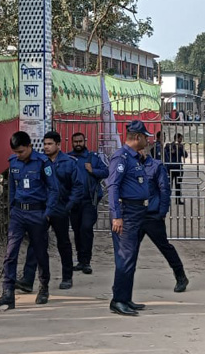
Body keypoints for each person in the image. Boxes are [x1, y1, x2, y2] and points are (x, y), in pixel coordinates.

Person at [0, 132, 59, 310]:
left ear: (29, 146)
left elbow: (53, 189)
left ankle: (43, 287)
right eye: (16, 152)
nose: (19, 155)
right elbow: (12, 188)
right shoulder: (13, 163)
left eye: (21, 151)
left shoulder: (43, 163)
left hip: (38, 213)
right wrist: (12, 208)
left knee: (40, 253)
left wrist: (48, 213)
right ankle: (7, 293)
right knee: (10, 253)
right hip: (18, 214)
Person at [18, 131, 87, 291]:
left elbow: (78, 186)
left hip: (60, 209)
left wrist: (68, 206)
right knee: (36, 243)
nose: (46, 147)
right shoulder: (40, 162)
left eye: (49, 144)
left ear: (58, 144)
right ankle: (27, 280)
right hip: (41, 209)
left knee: (63, 243)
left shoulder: (69, 163)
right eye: (45, 144)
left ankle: (67, 277)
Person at [106, 120, 156, 317]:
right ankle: (118, 300)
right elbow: (113, 187)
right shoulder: (121, 157)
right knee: (125, 258)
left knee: (131, 257)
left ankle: (125, 298)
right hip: (127, 213)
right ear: (137, 137)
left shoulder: (135, 158)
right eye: (145, 137)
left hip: (138, 213)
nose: (147, 140)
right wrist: (116, 216)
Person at [138, 142, 189, 293]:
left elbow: (164, 190)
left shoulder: (156, 166)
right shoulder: (131, 166)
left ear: (146, 150)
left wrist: (161, 212)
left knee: (165, 247)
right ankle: (122, 283)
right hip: (136, 215)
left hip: (153, 215)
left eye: (141, 149)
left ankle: (180, 276)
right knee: (129, 250)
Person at [69, 132, 109, 275]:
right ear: (72, 142)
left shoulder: (93, 157)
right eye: (75, 141)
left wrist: (93, 170)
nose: (78, 144)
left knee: (86, 228)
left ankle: (86, 261)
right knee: (77, 230)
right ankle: (80, 260)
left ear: (84, 141)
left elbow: (106, 171)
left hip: (89, 201)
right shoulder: (69, 158)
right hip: (74, 202)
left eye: (80, 141)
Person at [163, 133, 187, 204]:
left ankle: (178, 200)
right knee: (169, 184)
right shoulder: (169, 145)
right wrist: (170, 152)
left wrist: (181, 149)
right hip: (170, 168)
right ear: (176, 138)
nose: (180, 140)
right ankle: (168, 200)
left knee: (178, 185)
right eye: (180, 139)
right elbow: (164, 154)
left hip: (178, 168)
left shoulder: (181, 146)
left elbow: (185, 155)